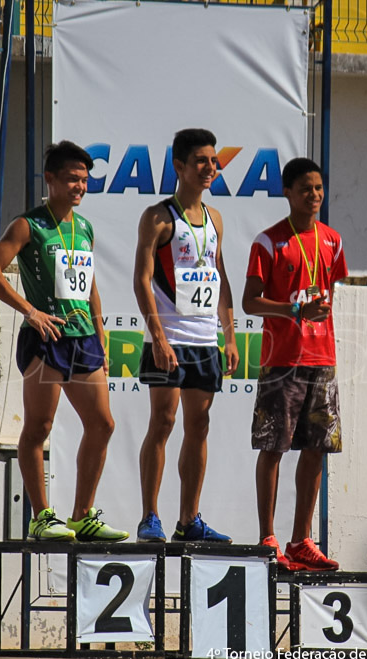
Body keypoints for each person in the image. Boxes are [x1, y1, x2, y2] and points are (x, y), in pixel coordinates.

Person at [0, 140, 129, 542]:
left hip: (84, 339)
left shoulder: (85, 227)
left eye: (84, 180)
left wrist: (101, 331)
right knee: (40, 425)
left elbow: (89, 285)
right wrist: (31, 311)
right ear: (51, 179)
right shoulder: (28, 224)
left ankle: (82, 515)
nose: (80, 186)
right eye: (72, 179)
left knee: (103, 423)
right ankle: (42, 516)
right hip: (46, 339)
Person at [133, 128, 239, 543]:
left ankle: (188, 520)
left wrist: (229, 336)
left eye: (213, 161)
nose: (210, 168)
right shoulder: (158, 217)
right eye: (201, 161)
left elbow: (220, 277)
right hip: (170, 337)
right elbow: (142, 281)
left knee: (200, 424)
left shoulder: (215, 219)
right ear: (179, 166)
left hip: (204, 339)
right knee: (163, 421)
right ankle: (150, 517)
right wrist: (157, 337)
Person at [242, 157, 346, 571]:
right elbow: (251, 302)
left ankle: (302, 540)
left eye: (319, 188)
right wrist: (291, 311)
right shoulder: (268, 243)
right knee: (273, 447)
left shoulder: (333, 240)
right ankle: (269, 537)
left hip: (323, 358)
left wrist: (314, 314)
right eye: (306, 188)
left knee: (317, 448)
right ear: (287, 192)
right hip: (282, 360)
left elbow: (328, 293)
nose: (314, 195)